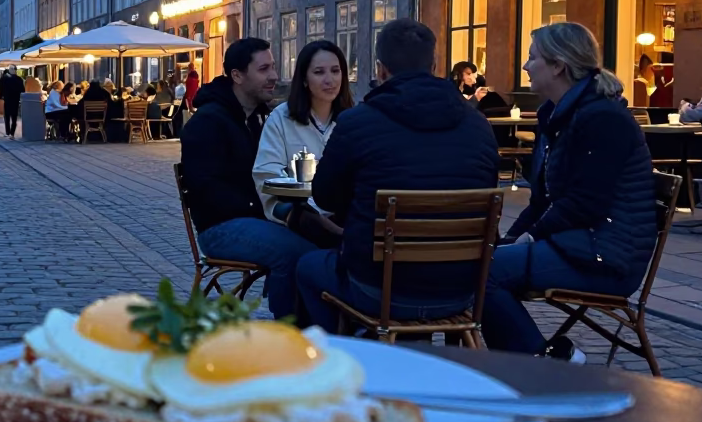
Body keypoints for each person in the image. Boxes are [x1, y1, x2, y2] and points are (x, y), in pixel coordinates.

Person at [296, 19, 500, 331]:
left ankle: (341, 360)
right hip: (462, 289)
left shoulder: (357, 122)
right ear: (433, 64)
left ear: (380, 70)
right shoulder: (479, 126)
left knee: (308, 266)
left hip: (377, 288)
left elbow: (324, 196)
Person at [481, 22, 657, 362]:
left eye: (532, 58)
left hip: (607, 256)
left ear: (559, 65)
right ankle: (533, 362)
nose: (525, 66)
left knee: (484, 273)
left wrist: (529, 238)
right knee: (484, 262)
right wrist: (512, 237)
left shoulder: (603, 118)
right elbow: (543, 199)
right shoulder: (560, 116)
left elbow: (586, 202)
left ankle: (542, 364)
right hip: (582, 242)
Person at [179, 37, 315, 319]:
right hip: (220, 229)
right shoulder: (207, 123)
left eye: (274, 67)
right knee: (297, 252)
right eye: (264, 69)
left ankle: (330, 326)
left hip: (256, 219)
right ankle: (290, 329)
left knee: (325, 239)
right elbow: (207, 189)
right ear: (237, 76)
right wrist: (265, 209)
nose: (274, 77)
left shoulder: (260, 117)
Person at [253, 40, 353, 241]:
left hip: (345, 212)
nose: (329, 80)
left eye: (335, 71)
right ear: (305, 79)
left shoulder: (353, 119)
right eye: (319, 72)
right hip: (297, 212)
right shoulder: (282, 118)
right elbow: (267, 171)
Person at [0, 65, 26, 139]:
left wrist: (0, 96)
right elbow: (23, 90)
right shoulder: (19, 79)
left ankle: (8, 132)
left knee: (7, 117)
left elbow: (2, 89)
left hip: (8, 100)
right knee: (14, 117)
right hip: (15, 100)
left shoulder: (5, 79)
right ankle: (12, 133)